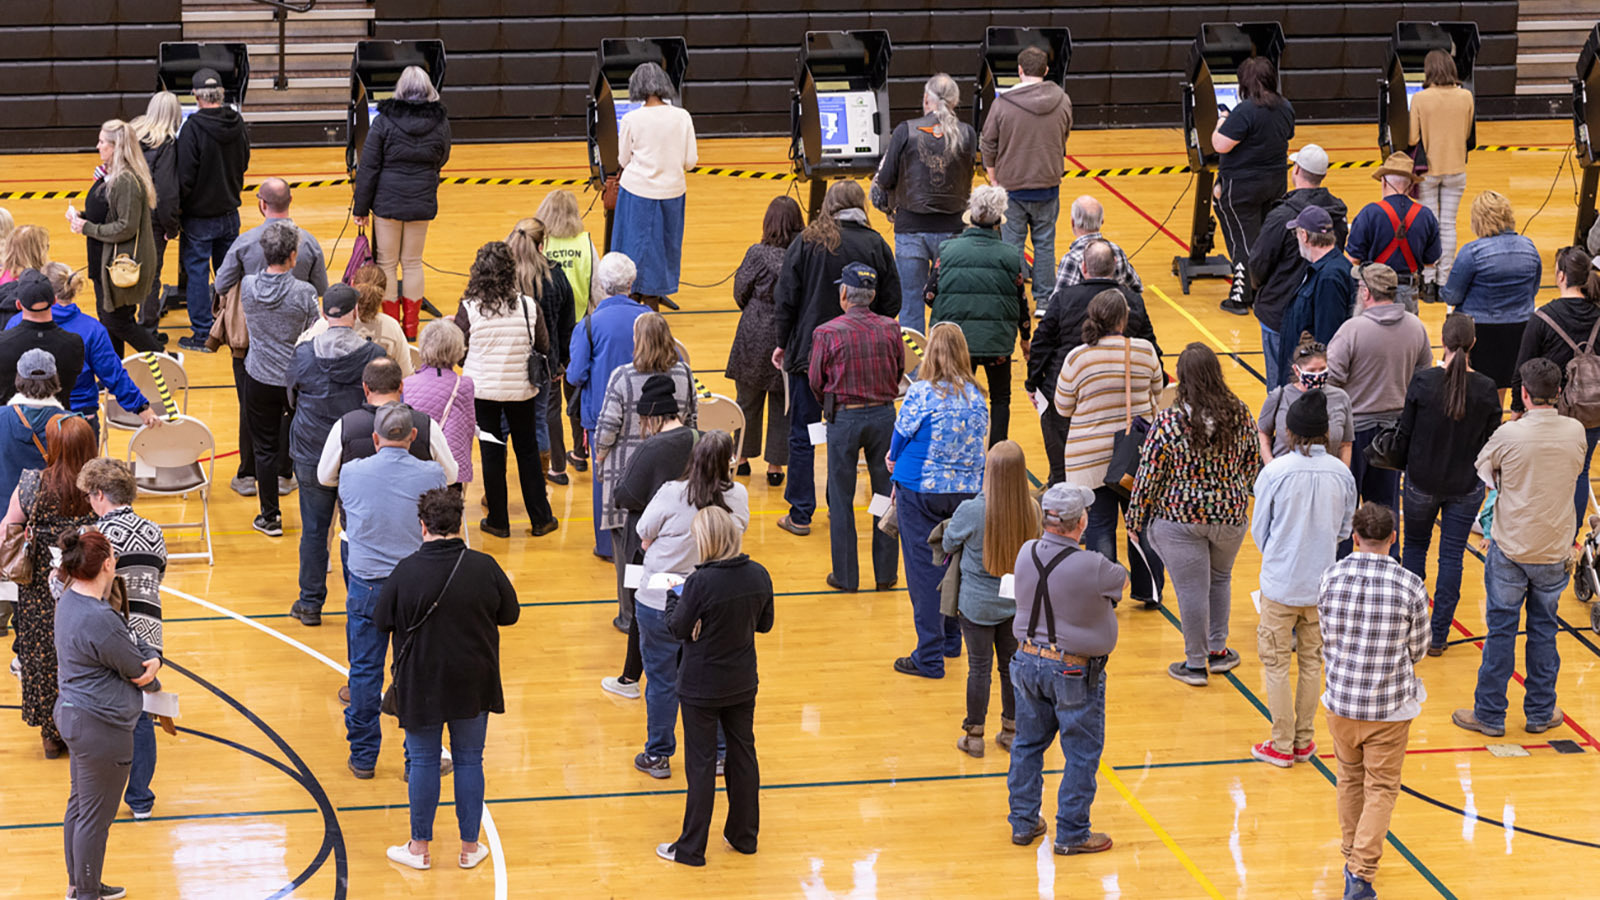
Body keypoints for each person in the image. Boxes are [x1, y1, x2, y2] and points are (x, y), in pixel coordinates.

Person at [376, 487, 517, 872]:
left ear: (422, 525)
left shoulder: (406, 571)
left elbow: (380, 620)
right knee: (470, 760)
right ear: (459, 524)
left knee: (423, 761)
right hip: (474, 678)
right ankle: (470, 848)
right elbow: (511, 614)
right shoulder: (484, 566)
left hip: (421, 681)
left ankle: (419, 848)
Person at [1453, 358, 1586, 740]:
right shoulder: (1575, 431)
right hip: (1555, 548)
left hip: (1512, 547)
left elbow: (1484, 472)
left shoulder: (1509, 435)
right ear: (1558, 392)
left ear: (1524, 394)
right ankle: (1541, 711)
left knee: (1501, 632)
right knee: (1544, 631)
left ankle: (1490, 714)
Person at [772, 180, 899, 537]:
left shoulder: (807, 242)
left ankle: (800, 514)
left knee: (805, 435)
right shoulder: (875, 243)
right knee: (848, 435)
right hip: (859, 361)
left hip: (809, 357)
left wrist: (784, 342)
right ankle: (837, 508)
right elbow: (892, 301)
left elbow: (786, 298)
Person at [1128, 343, 1261, 685]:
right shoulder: (1241, 414)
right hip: (1229, 516)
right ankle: (1218, 650)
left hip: (1179, 518)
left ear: (1183, 379)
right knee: (1220, 579)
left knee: (1191, 590)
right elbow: (1252, 468)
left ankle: (1194, 663)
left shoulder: (1169, 421)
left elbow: (1148, 475)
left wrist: (1135, 520)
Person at [1318, 503, 1428, 900]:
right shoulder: (1410, 585)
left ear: (1355, 537)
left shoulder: (1331, 576)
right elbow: (1418, 649)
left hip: (1341, 702)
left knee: (1349, 779)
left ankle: (1352, 855)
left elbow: (1325, 636)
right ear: (1393, 539)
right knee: (1380, 788)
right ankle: (1360, 873)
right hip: (1389, 709)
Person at [1005, 482, 1122, 855]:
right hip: (1072, 671)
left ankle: (1023, 822)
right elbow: (1121, 582)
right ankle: (1072, 832)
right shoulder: (1095, 565)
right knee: (1081, 752)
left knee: (1027, 744)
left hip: (1025, 661)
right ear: (1081, 521)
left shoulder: (1026, 552)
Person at [657, 505, 772, 866]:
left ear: (707, 540)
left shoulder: (700, 582)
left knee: (702, 765)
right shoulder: (758, 574)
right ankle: (744, 837)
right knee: (743, 757)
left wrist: (674, 599)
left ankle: (691, 848)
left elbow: (676, 628)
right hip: (741, 681)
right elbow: (764, 625)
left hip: (701, 687)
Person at [339, 403, 449, 779]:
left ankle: (364, 756)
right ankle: (414, 758)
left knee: (364, 671)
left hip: (366, 585)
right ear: (413, 436)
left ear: (374, 438)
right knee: (414, 672)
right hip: (415, 586)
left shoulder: (351, 473)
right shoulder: (431, 473)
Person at [1248, 391, 1356, 768]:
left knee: (1276, 664)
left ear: (1289, 432)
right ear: (1326, 432)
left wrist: (1282, 552)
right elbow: (1345, 529)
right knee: (1312, 663)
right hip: (1322, 585)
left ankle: (1281, 743)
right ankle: (1305, 740)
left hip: (1280, 584)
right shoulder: (1342, 474)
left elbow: (1259, 529)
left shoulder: (1274, 472)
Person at [52, 528, 162, 900]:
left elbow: (127, 638)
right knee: (95, 819)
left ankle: (80, 883)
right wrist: (155, 661)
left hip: (74, 715)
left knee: (81, 806)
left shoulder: (69, 599)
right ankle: (86, 892)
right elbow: (139, 669)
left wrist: (143, 653)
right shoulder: (99, 618)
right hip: (101, 727)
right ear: (107, 564)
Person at [634, 433, 750, 779]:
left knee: (661, 680)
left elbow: (643, 530)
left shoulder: (672, 492)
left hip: (659, 598)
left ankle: (658, 754)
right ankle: (717, 754)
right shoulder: (738, 495)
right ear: (729, 461)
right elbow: (736, 535)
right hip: (712, 599)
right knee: (709, 678)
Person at [1395, 314, 1501, 656]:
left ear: (1442, 341)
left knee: (1414, 549)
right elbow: (1491, 444)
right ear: (1473, 344)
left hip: (1421, 481)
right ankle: (1438, 637)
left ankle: (1409, 630)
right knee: (1451, 558)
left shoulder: (1423, 382)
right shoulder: (1486, 388)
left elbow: (1404, 434)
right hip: (1465, 485)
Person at [889, 323, 989, 678]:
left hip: (921, 489)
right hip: (966, 492)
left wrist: (893, 460)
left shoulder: (922, 393)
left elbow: (898, 440)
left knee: (923, 570)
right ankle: (951, 640)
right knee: (955, 565)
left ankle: (928, 656)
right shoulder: (978, 395)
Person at [284, 284, 387, 627]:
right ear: (355, 312)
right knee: (355, 530)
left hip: (312, 450)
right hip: (357, 451)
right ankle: (359, 602)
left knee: (314, 531)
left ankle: (310, 603)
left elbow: (291, 397)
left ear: (324, 313)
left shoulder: (304, 353)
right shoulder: (373, 355)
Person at [1054, 290, 1163, 605]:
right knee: (1141, 524)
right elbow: (1158, 390)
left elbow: (1062, 406)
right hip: (1136, 456)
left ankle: (1105, 595)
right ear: (1123, 319)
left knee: (1100, 526)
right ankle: (1149, 590)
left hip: (1090, 460)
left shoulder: (1077, 357)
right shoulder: (1143, 351)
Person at [1029, 241, 1161, 485]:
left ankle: (1061, 501)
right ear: (1115, 267)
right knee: (1123, 477)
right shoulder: (1132, 300)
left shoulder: (1063, 298)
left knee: (1063, 474)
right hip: (1124, 406)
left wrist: (1032, 383)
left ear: (1083, 267)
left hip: (1067, 398)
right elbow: (1154, 353)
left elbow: (1041, 344)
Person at [79, 458, 167, 820]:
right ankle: (141, 799)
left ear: (100, 494)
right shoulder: (153, 529)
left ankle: (101, 793)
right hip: (150, 633)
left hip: (111, 633)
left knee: (105, 715)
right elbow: (158, 573)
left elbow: (81, 589)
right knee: (143, 715)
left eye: (89, 496)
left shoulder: (96, 537)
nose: (88, 503)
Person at [4, 414, 96, 757]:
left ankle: (50, 732)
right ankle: (86, 725)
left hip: (41, 593)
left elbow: (7, 529)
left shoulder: (32, 484)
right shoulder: (97, 488)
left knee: (43, 657)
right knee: (86, 657)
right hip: (87, 586)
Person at [597, 313, 698, 626]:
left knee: (629, 553)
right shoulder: (683, 373)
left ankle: (630, 615)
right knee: (671, 550)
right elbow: (693, 419)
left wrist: (600, 456)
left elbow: (607, 428)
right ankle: (671, 606)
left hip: (629, 475)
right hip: (677, 473)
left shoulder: (623, 377)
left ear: (638, 341)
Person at [808, 262, 903, 593]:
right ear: (873, 295)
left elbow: (815, 380)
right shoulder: (891, 329)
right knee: (883, 495)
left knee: (842, 496)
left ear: (845, 293)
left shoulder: (827, 332)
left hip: (844, 419)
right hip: (883, 418)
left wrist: (834, 402)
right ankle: (886, 573)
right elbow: (899, 370)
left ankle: (846, 577)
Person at [453, 241, 558, 539]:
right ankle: (541, 518)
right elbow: (543, 346)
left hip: (482, 392)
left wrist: (472, 361)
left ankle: (499, 521)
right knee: (526, 452)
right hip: (521, 391)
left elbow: (458, 348)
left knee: (491, 452)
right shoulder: (527, 304)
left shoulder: (469, 307)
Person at [1327, 263, 1434, 555]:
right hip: (1394, 434)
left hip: (1355, 433)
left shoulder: (1352, 330)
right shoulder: (1415, 327)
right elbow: (1424, 376)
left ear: (1365, 293)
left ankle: (1345, 564)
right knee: (1386, 506)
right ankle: (1389, 561)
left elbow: (1331, 380)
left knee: (1347, 505)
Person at [605, 375, 699, 699]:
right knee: (687, 601)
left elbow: (624, 493)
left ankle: (631, 679)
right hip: (691, 540)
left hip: (645, 542)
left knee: (639, 605)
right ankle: (643, 674)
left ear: (650, 417)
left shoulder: (650, 448)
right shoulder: (697, 437)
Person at [945, 440, 1038, 758]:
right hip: (1016, 606)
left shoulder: (972, 510)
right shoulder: (1032, 509)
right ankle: (1011, 730)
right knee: (1010, 669)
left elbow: (947, 541)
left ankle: (974, 736)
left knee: (978, 669)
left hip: (976, 605)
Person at [872, 73, 976, 332]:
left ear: (926, 100)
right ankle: (944, 368)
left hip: (910, 229)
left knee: (910, 306)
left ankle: (915, 370)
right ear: (954, 102)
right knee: (947, 307)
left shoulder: (905, 130)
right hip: (954, 231)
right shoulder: (968, 133)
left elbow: (885, 178)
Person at [926, 184, 1029, 445]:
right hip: (998, 344)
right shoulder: (1010, 254)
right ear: (999, 219)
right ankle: (997, 456)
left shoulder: (947, 250)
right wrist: (1025, 337)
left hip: (958, 346)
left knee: (958, 396)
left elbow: (928, 295)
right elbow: (1021, 302)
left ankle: (960, 447)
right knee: (1000, 399)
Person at [352, 65, 450, 339]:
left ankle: (392, 327)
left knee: (386, 263)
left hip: (387, 203)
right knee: (413, 262)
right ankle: (410, 329)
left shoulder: (384, 120)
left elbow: (368, 167)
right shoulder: (440, 121)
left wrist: (361, 208)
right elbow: (443, 157)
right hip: (421, 200)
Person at [239, 221, 321, 537]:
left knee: (264, 448)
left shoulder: (247, 286)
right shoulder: (304, 292)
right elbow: (317, 332)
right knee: (302, 445)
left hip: (258, 377)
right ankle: (311, 516)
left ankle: (270, 516)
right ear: (292, 256)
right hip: (295, 380)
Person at [1510, 245, 1600, 526]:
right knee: (1580, 472)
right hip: (1592, 409)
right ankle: (1569, 539)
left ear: (1561, 276)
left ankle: (1543, 532)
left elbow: (1522, 369)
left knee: (1545, 474)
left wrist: (1516, 409)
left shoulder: (1542, 318)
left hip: (1551, 412)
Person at [568, 252, 651, 555]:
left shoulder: (589, 325)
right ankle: (642, 541)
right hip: (646, 413)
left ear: (602, 285)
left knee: (604, 478)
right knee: (644, 473)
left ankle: (607, 545)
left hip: (601, 414)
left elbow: (575, 374)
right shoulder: (649, 320)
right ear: (631, 282)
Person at [1248, 145, 1349, 388]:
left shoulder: (1282, 216)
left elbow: (1259, 263)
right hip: (1320, 315)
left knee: (1281, 388)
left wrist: (1261, 289)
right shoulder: (1336, 213)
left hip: (1279, 313)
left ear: (1296, 170)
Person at [980, 45, 1073, 307]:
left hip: (1012, 188)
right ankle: (1044, 302)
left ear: (1019, 71)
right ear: (1045, 70)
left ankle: (1014, 299)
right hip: (1048, 185)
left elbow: (988, 143)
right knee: (1044, 245)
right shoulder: (1063, 99)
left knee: (1012, 246)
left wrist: (993, 178)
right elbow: (1065, 134)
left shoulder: (1002, 105)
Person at [65, 118, 162, 356]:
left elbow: (125, 227)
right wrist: (83, 216)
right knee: (111, 322)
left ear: (116, 147)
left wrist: (86, 227)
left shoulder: (125, 180)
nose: (97, 146)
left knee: (118, 321)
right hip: (104, 259)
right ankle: (114, 375)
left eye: (102, 142)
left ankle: (166, 359)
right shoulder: (111, 175)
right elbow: (110, 213)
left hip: (120, 263)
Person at [31, 263, 159, 434]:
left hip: (36, 419)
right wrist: (142, 408)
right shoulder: (92, 329)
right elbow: (113, 374)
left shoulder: (20, 324)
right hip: (81, 420)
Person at [725, 196, 801, 484]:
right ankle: (775, 467)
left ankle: (742, 457)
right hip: (789, 332)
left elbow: (739, 292)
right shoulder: (803, 252)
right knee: (783, 402)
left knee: (747, 399)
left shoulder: (757, 253)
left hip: (754, 330)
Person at [1212, 56, 1295, 314]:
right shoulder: (1285, 107)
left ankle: (1241, 296)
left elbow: (1220, 144)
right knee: (1264, 237)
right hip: (1274, 182)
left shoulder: (1245, 110)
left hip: (1243, 187)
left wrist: (1221, 122)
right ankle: (1264, 288)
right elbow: (1288, 134)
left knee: (1242, 241)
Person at [175, 67, 250, 353]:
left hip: (199, 216)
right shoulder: (237, 122)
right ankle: (233, 328)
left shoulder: (192, 129)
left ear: (195, 95)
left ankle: (203, 335)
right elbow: (244, 161)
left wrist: (179, 210)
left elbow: (185, 177)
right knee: (230, 273)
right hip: (230, 211)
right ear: (221, 94)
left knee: (196, 274)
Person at [612, 62, 696, 311]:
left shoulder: (631, 119)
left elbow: (623, 160)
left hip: (636, 193)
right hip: (672, 192)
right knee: (663, 249)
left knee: (632, 248)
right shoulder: (682, 116)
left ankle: (631, 298)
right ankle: (653, 297)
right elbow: (690, 162)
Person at [1443, 191, 1541, 402]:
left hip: (1480, 333)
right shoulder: (1529, 248)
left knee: (1475, 392)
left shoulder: (1471, 252)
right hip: (1520, 329)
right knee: (1503, 387)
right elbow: (1533, 289)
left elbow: (1451, 296)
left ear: (1477, 220)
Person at [505, 218, 576, 484]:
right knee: (540, 419)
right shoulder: (556, 276)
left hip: (506, 363)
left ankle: (495, 488)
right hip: (545, 364)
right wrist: (562, 362)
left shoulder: (502, 277)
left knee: (501, 426)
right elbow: (567, 325)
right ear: (542, 244)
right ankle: (539, 480)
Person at [536, 189, 601, 476]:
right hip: (579, 330)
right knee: (577, 394)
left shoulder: (540, 245)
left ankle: (557, 465)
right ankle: (581, 451)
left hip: (547, 332)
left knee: (550, 401)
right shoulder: (586, 244)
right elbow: (598, 290)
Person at [318, 358, 456, 487]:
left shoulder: (344, 425)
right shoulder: (427, 424)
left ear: (365, 388)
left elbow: (325, 477)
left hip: (361, 511)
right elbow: (450, 476)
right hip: (414, 511)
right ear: (401, 386)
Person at [1411, 49, 1476, 303]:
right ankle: (1443, 283)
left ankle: (1427, 283)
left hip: (1428, 171)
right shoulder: (1466, 96)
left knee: (1430, 226)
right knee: (1448, 225)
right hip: (1456, 168)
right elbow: (1467, 133)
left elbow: (1412, 139)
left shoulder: (1420, 99)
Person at [1345, 154, 1441, 312]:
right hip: (1408, 292)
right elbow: (1431, 261)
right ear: (1410, 186)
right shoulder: (1426, 215)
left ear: (1384, 181)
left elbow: (1353, 258)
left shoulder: (1369, 213)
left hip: (1373, 290)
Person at [1274, 205, 1355, 385]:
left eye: (1297, 235)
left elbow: (1328, 338)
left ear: (1305, 236)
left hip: (1307, 383)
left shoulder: (1329, 277)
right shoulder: (1322, 269)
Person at [214, 178, 330, 297]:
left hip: (253, 314)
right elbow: (321, 289)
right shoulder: (309, 242)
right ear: (290, 200)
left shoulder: (244, 242)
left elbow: (221, 285)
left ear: (262, 203)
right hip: (298, 314)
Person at [299, 263, 412, 377]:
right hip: (376, 392)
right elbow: (406, 374)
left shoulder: (329, 322)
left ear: (352, 284)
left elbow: (300, 359)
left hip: (329, 391)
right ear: (383, 293)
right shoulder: (392, 327)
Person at [1258, 334, 1354, 465]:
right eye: (1312, 370)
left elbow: (1346, 444)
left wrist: (1344, 473)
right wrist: (1270, 463)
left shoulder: (1341, 397)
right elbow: (1263, 433)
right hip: (1285, 476)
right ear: (1297, 371)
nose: (1317, 375)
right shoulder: (1279, 396)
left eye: (1322, 369)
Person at [130, 91, 181, 332]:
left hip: (126, 211)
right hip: (151, 218)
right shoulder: (167, 144)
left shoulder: (133, 132)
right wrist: (171, 226)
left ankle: (125, 318)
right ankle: (147, 326)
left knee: (127, 265)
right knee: (150, 273)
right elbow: (166, 192)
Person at [403, 320, 476, 489]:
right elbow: (468, 429)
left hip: (416, 465)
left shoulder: (406, 384)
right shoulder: (464, 385)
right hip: (450, 465)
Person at [0, 269, 86, 410]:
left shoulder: (3, 344)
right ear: (54, 301)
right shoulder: (74, 344)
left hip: (10, 426)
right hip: (58, 426)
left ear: (18, 305)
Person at [0, 350, 67, 519]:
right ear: (54, 379)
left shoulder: (2, 417)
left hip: (4, 520)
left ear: (19, 379)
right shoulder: (71, 424)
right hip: (52, 520)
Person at [1050, 196, 1142, 301]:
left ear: (1072, 222)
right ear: (1102, 221)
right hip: (1115, 314)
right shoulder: (1116, 251)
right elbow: (1136, 287)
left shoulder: (1072, 259)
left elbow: (1057, 302)